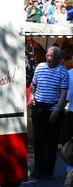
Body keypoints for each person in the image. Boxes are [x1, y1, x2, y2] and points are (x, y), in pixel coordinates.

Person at [30, 45, 69, 179]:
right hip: (39, 107)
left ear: (58, 58)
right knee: (39, 140)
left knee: (51, 142)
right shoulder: (40, 67)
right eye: (47, 55)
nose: (48, 58)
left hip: (54, 108)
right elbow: (33, 84)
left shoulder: (63, 72)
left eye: (51, 56)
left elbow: (63, 94)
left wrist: (57, 110)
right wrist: (31, 97)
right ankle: (38, 169)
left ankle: (48, 172)